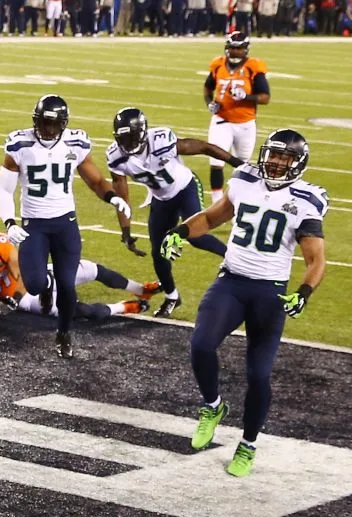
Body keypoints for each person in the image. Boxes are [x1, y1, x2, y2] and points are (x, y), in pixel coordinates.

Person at [160, 129, 327, 478]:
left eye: (286, 158)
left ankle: (248, 444)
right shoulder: (245, 179)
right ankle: (213, 406)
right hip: (232, 282)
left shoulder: (307, 201)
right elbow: (211, 217)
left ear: (298, 163)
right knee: (201, 345)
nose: (277, 162)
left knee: (259, 375)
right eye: (274, 154)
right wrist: (179, 231)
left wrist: (305, 292)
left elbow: (316, 260)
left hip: (270, 292)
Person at [0, 94, 135, 358]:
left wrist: (113, 197)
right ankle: (46, 286)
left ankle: (64, 333)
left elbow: (95, 181)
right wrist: (10, 223)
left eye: (53, 125)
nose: (48, 130)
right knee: (35, 284)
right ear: (35, 121)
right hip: (33, 225)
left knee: (68, 287)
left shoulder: (76, 142)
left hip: (65, 224)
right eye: (43, 124)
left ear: (63, 123)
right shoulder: (19, 144)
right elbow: (4, 189)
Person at [107, 107, 242, 317]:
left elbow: (204, 147)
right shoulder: (116, 157)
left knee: (196, 237)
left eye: (132, 136)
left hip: (185, 187)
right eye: (124, 138)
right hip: (161, 199)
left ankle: (235, 259)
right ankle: (172, 296)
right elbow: (122, 197)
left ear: (142, 132)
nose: (128, 142)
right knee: (158, 252)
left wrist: (237, 163)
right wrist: (125, 230)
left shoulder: (161, 140)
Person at [0, 212, 158, 320]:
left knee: (92, 269)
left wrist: (33, 286)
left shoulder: (0, 243)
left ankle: (141, 290)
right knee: (75, 311)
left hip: (34, 281)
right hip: (27, 300)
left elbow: (19, 269)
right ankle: (123, 307)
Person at [203, 31, 269, 204]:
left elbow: (265, 97)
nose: (234, 52)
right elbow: (207, 88)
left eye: (238, 49)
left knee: (243, 166)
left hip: (245, 123)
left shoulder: (253, 67)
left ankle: (236, 202)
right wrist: (210, 103)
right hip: (221, 120)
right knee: (216, 161)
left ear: (245, 50)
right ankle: (217, 202)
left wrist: (246, 97)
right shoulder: (218, 65)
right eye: (232, 48)